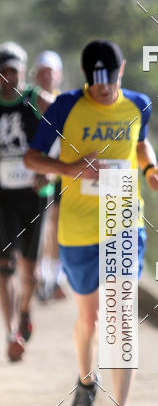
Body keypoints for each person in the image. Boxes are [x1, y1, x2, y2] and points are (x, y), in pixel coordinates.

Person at [25, 40, 158, 406]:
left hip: (122, 215)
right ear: (87, 77)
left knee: (121, 316)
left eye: (110, 82)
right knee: (90, 319)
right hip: (76, 227)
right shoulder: (66, 106)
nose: (104, 90)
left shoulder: (139, 104)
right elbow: (32, 158)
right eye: (96, 83)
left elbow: (140, 143)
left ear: (121, 71)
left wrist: (151, 170)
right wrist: (69, 169)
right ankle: (87, 380)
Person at [0, 43, 53, 361]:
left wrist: (49, 169)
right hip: (2, 198)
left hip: (34, 196)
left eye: (13, 72)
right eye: (2, 72)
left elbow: (66, 133)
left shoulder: (39, 101)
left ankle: (24, 310)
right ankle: (11, 333)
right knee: (4, 267)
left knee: (29, 272)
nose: (8, 78)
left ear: (24, 72)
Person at [33, 50, 66, 301]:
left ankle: (51, 278)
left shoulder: (66, 105)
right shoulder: (28, 102)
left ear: (59, 76)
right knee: (38, 226)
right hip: (32, 173)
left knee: (55, 225)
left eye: (51, 72)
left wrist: (53, 171)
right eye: (42, 72)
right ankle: (38, 276)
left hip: (59, 173)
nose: (47, 77)